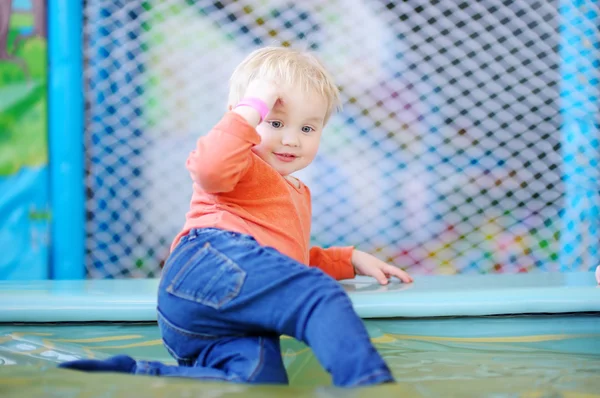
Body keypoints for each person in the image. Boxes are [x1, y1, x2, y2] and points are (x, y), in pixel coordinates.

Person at [59, 46, 413, 387]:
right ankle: (369, 385)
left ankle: (136, 376)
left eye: (307, 129)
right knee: (319, 295)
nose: (291, 139)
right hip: (208, 265)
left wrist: (348, 259)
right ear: (245, 116)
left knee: (259, 381)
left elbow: (286, 266)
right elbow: (209, 168)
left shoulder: (295, 192)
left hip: (216, 314)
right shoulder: (240, 163)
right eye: (274, 122)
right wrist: (249, 109)